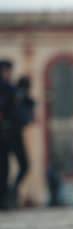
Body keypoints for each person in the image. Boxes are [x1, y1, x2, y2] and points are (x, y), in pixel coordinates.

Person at [10, 75, 35, 207]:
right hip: (13, 133)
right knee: (24, 164)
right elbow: (24, 117)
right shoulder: (20, 96)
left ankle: (10, 191)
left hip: (12, 132)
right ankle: (10, 191)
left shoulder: (17, 94)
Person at [0, 60, 15, 210]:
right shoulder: (7, 87)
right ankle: (3, 197)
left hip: (5, 130)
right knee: (3, 165)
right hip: (4, 131)